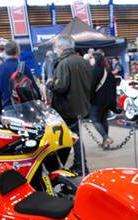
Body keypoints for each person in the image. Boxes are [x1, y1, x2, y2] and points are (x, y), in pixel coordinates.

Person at [48, 35, 92, 175]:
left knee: (66, 137)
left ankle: (67, 166)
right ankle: (80, 165)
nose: (55, 51)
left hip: (66, 107)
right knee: (76, 137)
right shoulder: (82, 60)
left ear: (60, 48)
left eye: (56, 48)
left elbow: (60, 87)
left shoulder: (64, 63)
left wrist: (50, 83)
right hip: (81, 104)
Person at [0, 40, 38, 113]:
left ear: (5, 52)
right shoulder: (24, 67)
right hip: (25, 109)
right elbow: (35, 89)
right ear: (18, 51)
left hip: (8, 109)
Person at [88, 53, 117, 148]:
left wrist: (89, 98)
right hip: (107, 101)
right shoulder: (108, 72)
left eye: (91, 58)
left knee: (95, 119)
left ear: (96, 59)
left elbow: (91, 87)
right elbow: (113, 88)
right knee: (103, 119)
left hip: (97, 100)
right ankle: (105, 143)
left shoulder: (94, 71)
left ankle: (106, 137)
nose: (90, 59)